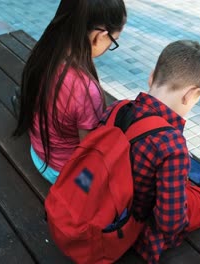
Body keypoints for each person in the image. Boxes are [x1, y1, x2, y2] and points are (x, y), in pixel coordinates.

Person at [101, 40, 200, 263]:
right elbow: (170, 223)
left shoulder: (118, 108)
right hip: (136, 236)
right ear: (191, 94)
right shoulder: (172, 146)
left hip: (105, 208)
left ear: (152, 76)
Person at [13, 0, 127, 184]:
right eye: (113, 41)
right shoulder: (86, 90)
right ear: (99, 36)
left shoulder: (46, 51)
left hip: (37, 151)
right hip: (60, 172)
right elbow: (89, 154)